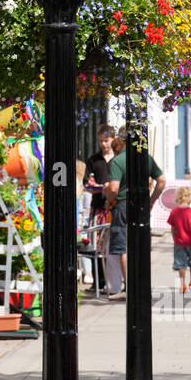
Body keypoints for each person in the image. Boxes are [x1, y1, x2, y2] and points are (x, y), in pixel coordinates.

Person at [105, 130, 166, 295]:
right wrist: (151, 201)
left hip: (123, 206)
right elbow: (161, 181)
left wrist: (109, 199)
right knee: (140, 245)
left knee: (124, 248)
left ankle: (130, 287)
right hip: (142, 206)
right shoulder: (146, 158)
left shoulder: (118, 161)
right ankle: (142, 284)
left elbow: (114, 188)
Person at [83, 123, 116, 288]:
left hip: (114, 208)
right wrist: (98, 187)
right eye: (101, 141)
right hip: (98, 207)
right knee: (96, 245)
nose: (104, 144)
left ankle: (114, 281)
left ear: (113, 139)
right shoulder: (93, 160)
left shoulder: (119, 159)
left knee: (113, 246)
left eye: (107, 140)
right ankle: (98, 282)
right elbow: (86, 184)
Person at [168, 184, 191, 293]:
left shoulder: (174, 212)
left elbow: (173, 228)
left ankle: (182, 285)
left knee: (181, 264)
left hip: (179, 241)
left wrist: (174, 238)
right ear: (190, 197)